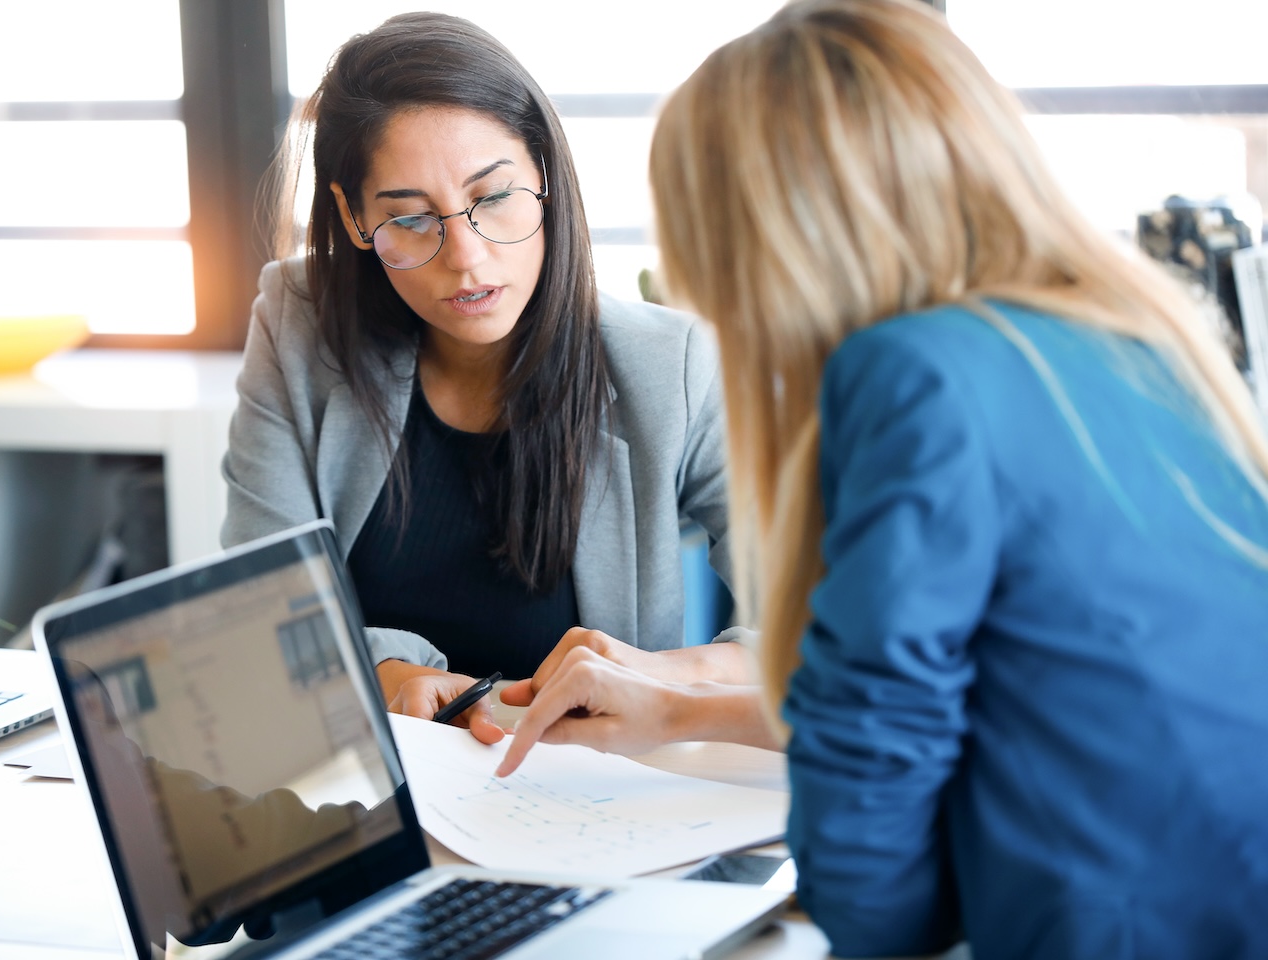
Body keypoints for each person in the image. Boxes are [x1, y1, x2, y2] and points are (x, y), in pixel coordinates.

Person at [504, 0, 1268, 956]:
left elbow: (871, 874)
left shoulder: (914, 376)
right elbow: (977, 699)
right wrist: (677, 710)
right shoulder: (1132, 336)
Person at [219, 12, 756, 746]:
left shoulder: (671, 365)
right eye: (410, 218)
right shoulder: (300, 324)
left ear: (543, 172)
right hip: (383, 784)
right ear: (350, 216)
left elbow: (826, 615)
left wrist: (666, 679)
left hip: (591, 793)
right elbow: (254, 613)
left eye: (495, 197)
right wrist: (386, 676)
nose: (466, 257)